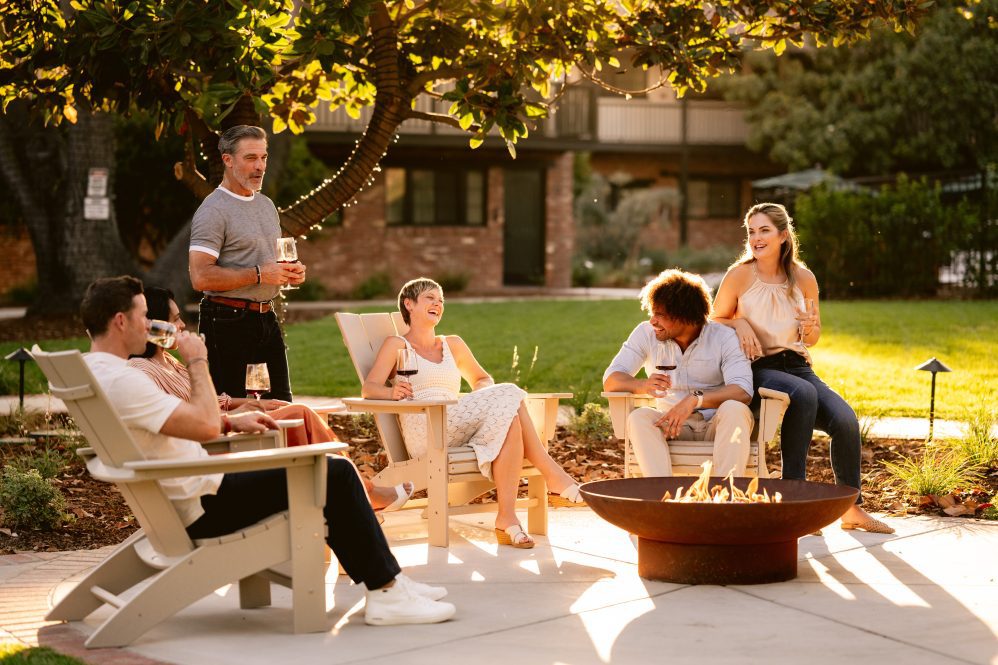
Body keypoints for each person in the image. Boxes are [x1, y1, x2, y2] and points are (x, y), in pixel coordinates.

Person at [81, 276, 455, 625]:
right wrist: (197, 359)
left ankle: (391, 583)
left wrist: (232, 421)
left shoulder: (99, 372)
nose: (150, 326)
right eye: (144, 316)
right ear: (120, 322)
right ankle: (387, 590)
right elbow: (204, 425)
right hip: (204, 504)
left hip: (187, 493)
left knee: (324, 471)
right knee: (333, 474)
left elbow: (191, 424)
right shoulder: (127, 379)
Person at [128, 286, 413, 513]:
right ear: (154, 326)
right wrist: (200, 366)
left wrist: (252, 404)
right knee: (299, 413)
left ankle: (353, 492)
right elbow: (188, 420)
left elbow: (212, 400)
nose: (182, 325)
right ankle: (362, 493)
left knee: (293, 412)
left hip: (222, 432)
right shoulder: (143, 370)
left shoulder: (169, 361)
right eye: (175, 319)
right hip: (214, 451)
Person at [362, 278, 585, 549]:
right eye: (430, 298)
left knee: (510, 419)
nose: (438, 304)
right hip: (426, 428)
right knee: (509, 394)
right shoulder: (396, 345)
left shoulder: (452, 344)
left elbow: (481, 379)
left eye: (441, 300)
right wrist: (391, 392)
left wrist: (484, 401)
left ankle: (507, 517)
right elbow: (369, 387)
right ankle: (553, 476)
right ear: (409, 304)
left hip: (455, 420)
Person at [712, 203, 893, 533]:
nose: (756, 238)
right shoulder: (739, 276)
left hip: (797, 366)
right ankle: (793, 499)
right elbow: (715, 322)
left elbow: (812, 336)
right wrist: (739, 323)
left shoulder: (805, 278)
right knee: (804, 394)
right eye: (751, 231)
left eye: (764, 230)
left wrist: (810, 328)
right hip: (758, 366)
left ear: (783, 235)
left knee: (845, 421)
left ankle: (851, 509)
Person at [189, 125, 305, 402]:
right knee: (235, 407)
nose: (260, 166)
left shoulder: (266, 205)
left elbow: (268, 263)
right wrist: (259, 274)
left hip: (266, 318)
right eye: (251, 158)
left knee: (280, 405)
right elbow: (200, 278)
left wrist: (290, 271)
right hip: (227, 322)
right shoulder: (213, 210)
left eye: (264, 157)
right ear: (227, 160)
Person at [603, 269, 755, 477]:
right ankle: (662, 497)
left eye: (660, 315)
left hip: (715, 425)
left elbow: (742, 391)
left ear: (686, 316)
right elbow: (611, 379)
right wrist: (641, 385)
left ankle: (726, 497)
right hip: (670, 426)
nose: (652, 321)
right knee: (640, 417)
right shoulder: (646, 334)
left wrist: (695, 400)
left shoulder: (724, 338)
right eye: (652, 313)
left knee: (735, 409)